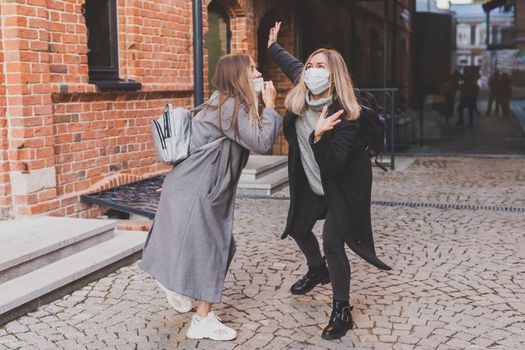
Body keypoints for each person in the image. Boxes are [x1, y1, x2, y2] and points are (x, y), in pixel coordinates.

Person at [139, 54, 282, 341]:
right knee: (216, 248)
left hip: (195, 187)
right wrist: (270, 106)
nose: (258, 72)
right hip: (199, 190)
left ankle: (176, 286)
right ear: (237, 75)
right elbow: (262, 142)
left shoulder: (223, 101)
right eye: (252, 68)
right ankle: (202, 319)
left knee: (221, 246)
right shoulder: (229, 106)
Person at [267, 22, 391, 340]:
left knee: (333, 242)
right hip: (312, 180)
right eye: (311, 66)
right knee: (297, 228)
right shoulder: (302, 90)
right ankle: (316, 269)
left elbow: (335, 166)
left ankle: (342, 310)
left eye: (321, 67)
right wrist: (272, 46)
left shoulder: (347, 114)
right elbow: (290, 63)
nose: (312, 71)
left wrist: (319, 136)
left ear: (333, 74)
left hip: (341, 186)